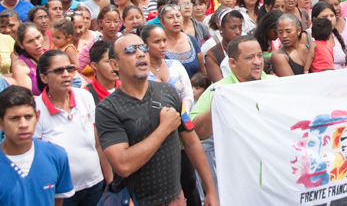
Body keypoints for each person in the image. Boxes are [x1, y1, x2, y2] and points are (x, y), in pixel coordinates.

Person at [95, 34, 218, 206]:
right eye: (130, 50)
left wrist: (211, 190)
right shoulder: (108, 109)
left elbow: (191, 141)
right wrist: (164, 129)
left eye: (143, 48)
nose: (140, 53)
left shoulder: (168, 92)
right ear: (115, 64)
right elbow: (123, 165)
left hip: (175, 200)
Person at [190, 36, 276, 188]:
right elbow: (196, 131)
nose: (257, 62)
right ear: (232, 63)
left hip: (276, 175)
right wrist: (214, 109)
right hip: (238, 181)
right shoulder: (217, 91)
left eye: (259, 56)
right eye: (249, 57)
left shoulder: (277, 84)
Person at [35, 50, 107, 204]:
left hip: (94, 184)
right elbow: (38, 159)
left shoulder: (84, 96)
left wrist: (110, 181)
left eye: (69, 69)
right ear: (43, 77)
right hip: (61, 193)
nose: (66, 74)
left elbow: (98, 143)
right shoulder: (36, 109)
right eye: (58, 71)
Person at [140, 24, 201, 205]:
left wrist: (181, 116)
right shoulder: (141, 72)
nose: (162, 45)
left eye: (164, 41)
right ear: (145, 45)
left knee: (189, 182)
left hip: (181, 134)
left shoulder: (176, 66)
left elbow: (188, 95)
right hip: (155, 137)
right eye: (156, 41)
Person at [0, 86, 75, 205]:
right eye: (14, 118)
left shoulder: (56, 155)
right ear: (1, 123)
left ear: (37, 117)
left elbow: (57, 200)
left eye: (28, 117)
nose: (23, 124)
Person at [85, 40, 120, 104]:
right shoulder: (86, 95)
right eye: (108, 61)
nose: (115, 65)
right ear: (95, 65)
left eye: (117, 60)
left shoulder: (128, 89)